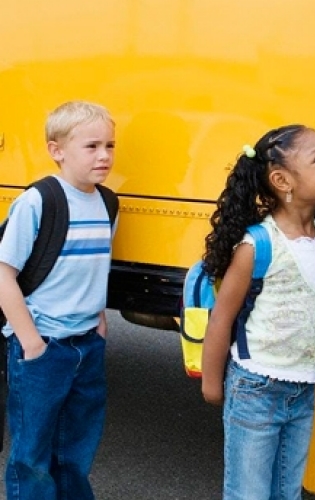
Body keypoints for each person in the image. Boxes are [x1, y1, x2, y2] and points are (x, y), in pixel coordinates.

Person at [200, 124, 315, 500]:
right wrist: (211, 382)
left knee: (287, 491)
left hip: (303, 388)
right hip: (256, 387)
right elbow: (222, 316)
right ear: (282, 180)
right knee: (248, 493)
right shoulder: (259, 244)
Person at [0, 101, 117, 500]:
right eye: (92, 146)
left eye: (110, 145)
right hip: (43, 347)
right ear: (57, 150)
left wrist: (98, 320)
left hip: (87, 344)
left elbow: (95, 266)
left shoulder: (107, 202)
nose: (104, 155)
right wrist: (32, 343)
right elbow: (3, 274)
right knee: (32, 456)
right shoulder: (39, 201)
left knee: (76, 450)